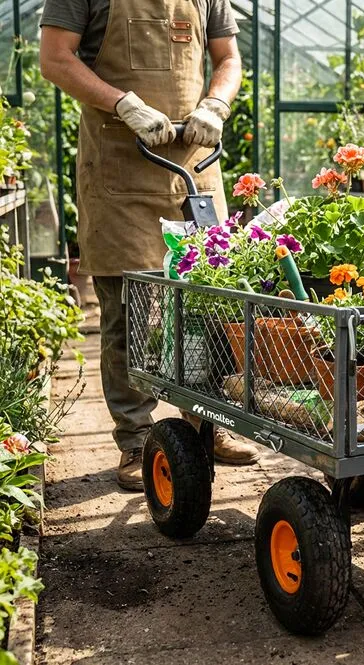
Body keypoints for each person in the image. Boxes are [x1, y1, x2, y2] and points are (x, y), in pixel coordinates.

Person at [39, 0, 260, 491]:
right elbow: (54, 58)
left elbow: (228, 57)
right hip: (120, 163)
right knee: (126, 312)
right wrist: (123, 103)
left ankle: (205, 424)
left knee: (208, 304)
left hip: (195, 165)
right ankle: (136, 439)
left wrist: (216, 104)